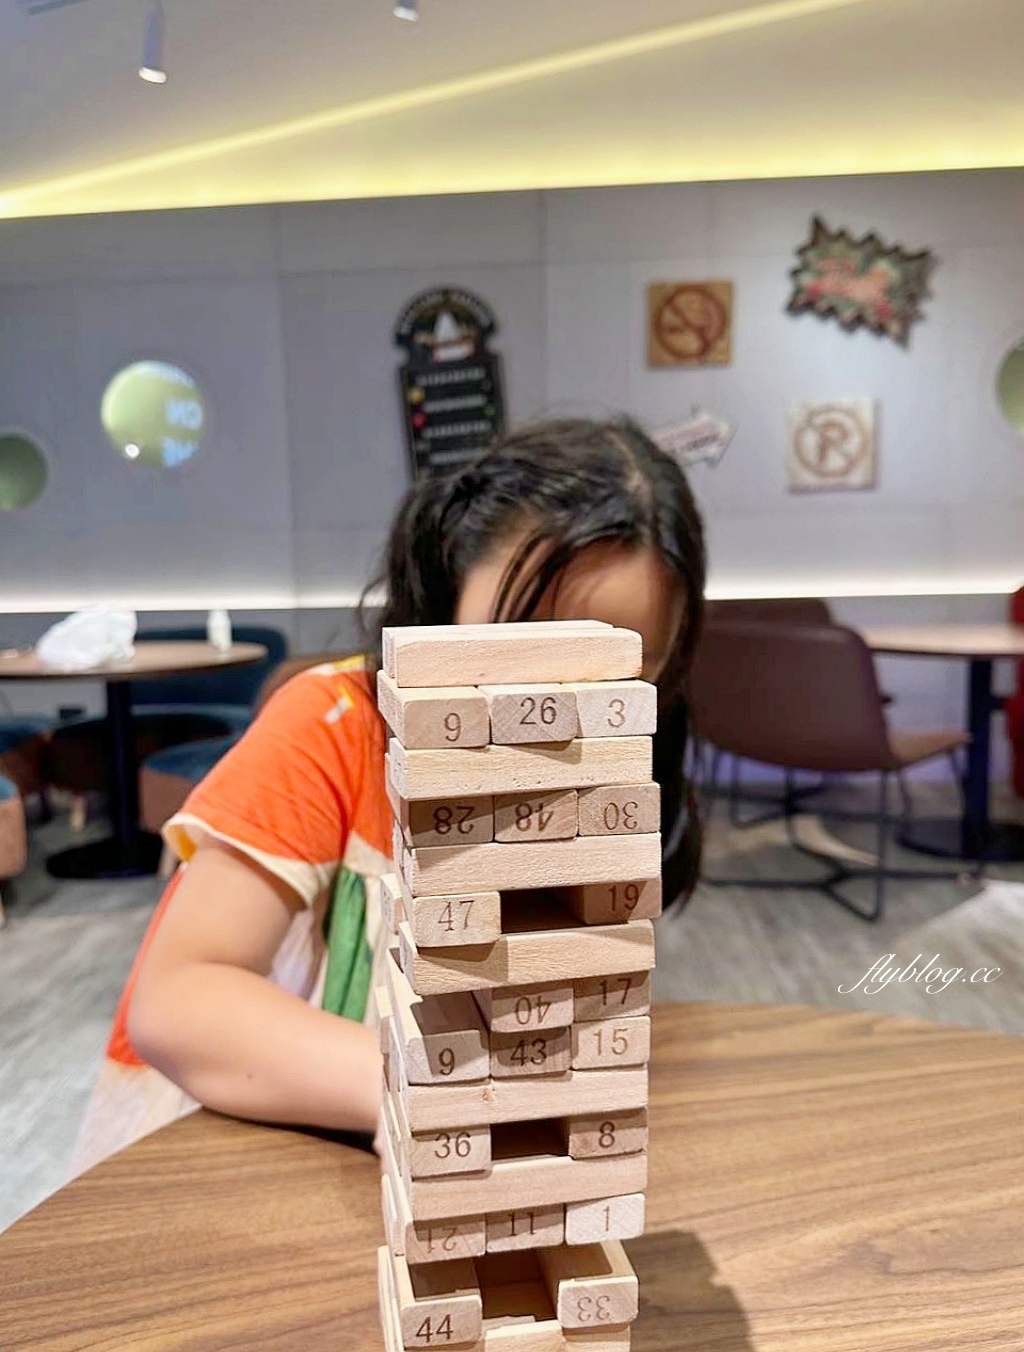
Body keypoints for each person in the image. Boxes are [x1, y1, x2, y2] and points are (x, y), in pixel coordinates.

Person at [71, 417, 706, 1175]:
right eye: (517, 649)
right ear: (446, 599)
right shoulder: (335, 725)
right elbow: (176, 1002)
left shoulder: (607, 784)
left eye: (612, 676)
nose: (556, 711)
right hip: (240, 1151)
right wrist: (426, 1084)